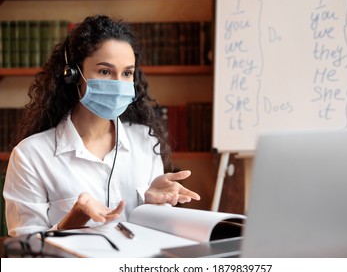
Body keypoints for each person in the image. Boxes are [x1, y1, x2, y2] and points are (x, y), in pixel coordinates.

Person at [3, 15, 200, 237]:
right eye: (105, 71)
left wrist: (154, 207)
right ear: (74, 75)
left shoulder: (145, 140)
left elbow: (152, 237)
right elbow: (26, 252)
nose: (118, 83)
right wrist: (75, 218)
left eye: (126, 73)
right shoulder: (31, 155)